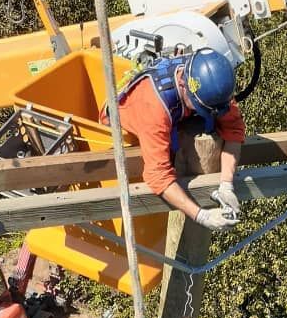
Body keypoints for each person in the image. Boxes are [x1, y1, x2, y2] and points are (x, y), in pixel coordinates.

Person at [104, 48, 245, 230]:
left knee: (202, 134)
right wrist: (201, 215)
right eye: (201, 108)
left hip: (168, 122)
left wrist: (226, 184)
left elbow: (233, 130)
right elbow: (158, 176)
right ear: (184, 85)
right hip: (123, 133)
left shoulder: (213, 87)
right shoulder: (154, 106)